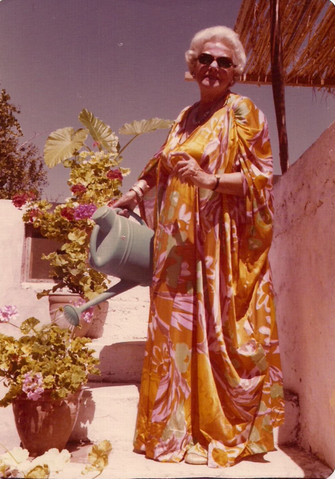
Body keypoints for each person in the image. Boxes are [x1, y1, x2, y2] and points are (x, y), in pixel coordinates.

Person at [112, 26, 284, 468]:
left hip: (218, 250)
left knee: (217, 331)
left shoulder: (243, 112)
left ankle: (216, 430)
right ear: (193, 66)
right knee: (173, 335)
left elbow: (263, 179)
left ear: (235, 73)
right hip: (175, 248)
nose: (213, 67)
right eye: (205, 59)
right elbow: (160, 164)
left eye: (224, 62)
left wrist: (209, 180)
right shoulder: (184, 117)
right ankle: (175, 432)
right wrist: (137, 190)